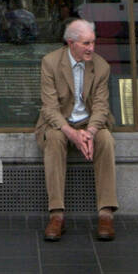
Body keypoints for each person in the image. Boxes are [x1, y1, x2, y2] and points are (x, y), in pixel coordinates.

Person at [34, 19, 118, 241]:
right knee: (53, 139)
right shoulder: (50, 63)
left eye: (93, 42)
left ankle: (106, 213)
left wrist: (89, 133)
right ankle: (57, 215)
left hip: (90, 123)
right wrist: (72, 133)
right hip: (60, 123)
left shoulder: (101, 66)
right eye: (86, 43)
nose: (91, 48)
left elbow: (101, 107)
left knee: (106, 139)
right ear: (71, 43)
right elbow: (49, 108)